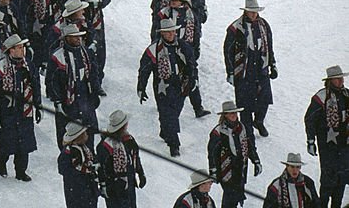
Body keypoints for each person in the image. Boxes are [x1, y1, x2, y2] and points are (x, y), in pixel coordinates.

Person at [0, 33, 42, 181]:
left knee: (24, 142)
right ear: (10, 50)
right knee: (6, 141)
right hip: (7, 110)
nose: (22, 50)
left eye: (22, 47)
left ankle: (21, 171)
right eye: (18, 47)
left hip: (25, 110)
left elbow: (35, 85)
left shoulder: (28, 65)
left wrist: (38, 104)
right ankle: (2, 163)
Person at [137, 17, 196, 157]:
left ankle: (165, 131)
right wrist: (141, 87)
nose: (171, 34)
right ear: (162, 33)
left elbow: (192, 66)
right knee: (168, 114)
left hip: (181, 86)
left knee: (174, 112)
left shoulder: (184, 47)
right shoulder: (153, 50)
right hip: (162, 87)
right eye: (167, 32)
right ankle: (174, 144)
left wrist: (193, 81)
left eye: (172, 31)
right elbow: (144, 70)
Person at [224, 0, 277, 139]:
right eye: (251, 12)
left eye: (255, 12)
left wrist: (273, 64)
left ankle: (259, 121)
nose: (254, 14)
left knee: (264, 98)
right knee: (244, 102)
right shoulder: (236, 28)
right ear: (245, 11)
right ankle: (247, 129)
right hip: (243, 71)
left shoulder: (264, 25)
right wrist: (230, 71)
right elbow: (228, 50)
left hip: (261, 67)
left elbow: (269, 46)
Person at [304, 64, 349, 208]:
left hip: (345, 144)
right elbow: (310, 119)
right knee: (328, 179)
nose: (341, 81)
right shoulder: (321, 97)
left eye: (341, 78)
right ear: (330, 80)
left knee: (341, 178)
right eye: (337, 79)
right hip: (327, 144)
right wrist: (311, 140)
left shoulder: (347, 94)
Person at [208, 99, 262, 207]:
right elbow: (212, 153)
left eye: (235, 112)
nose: (233, 115)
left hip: (240, 168)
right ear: (225, 115)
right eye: (230, 113)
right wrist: (213, 170)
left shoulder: (242, 128)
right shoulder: (218, 132)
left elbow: (249, 146)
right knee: (229, 196)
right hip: (226, 170)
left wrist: (256, 161)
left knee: (236, 196)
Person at [96, 109, 146, 208]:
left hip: (129, 183)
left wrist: (140, 173)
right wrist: (104, 186)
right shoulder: (105, 146)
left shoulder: (129, 140)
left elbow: (135, 157)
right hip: (114, 189)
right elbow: (101, 168)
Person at [58, 121, 99, 208]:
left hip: (88, 189)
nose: (87, 134)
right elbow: (64, 170)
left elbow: (92, 159)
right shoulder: (68, 153)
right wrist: (83, 173)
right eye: (84, 133)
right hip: (78, 192)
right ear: (79, 136)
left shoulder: (84, 147)